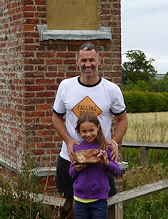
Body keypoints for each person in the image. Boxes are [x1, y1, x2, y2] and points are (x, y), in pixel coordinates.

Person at [52, 43, 128, 202]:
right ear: (77, 61)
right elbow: (56, 117)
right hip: (69, 157)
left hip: (101, 159)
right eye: (84, 60)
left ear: (99, 60)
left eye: (92, 60)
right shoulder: (65, 86)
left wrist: (114, 142)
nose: (88, 64)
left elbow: (123, 119)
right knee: (66, 203)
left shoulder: (111, 89)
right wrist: (68, 140)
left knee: (104, 204)